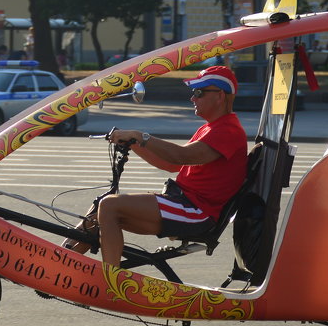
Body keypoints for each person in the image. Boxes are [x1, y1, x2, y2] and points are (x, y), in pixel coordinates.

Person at [64, 65, 248, 267]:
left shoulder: (228, 131)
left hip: (196, 212)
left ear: (220, 96)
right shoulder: (210, 128)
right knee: (101, 206)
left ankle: (111, 282)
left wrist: (140, 136)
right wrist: (134, 144)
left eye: (198, 93)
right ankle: (61, 264)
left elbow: (180, 156)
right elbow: (169, 164)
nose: (192, 98)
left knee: (109, 206)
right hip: (184, 203)